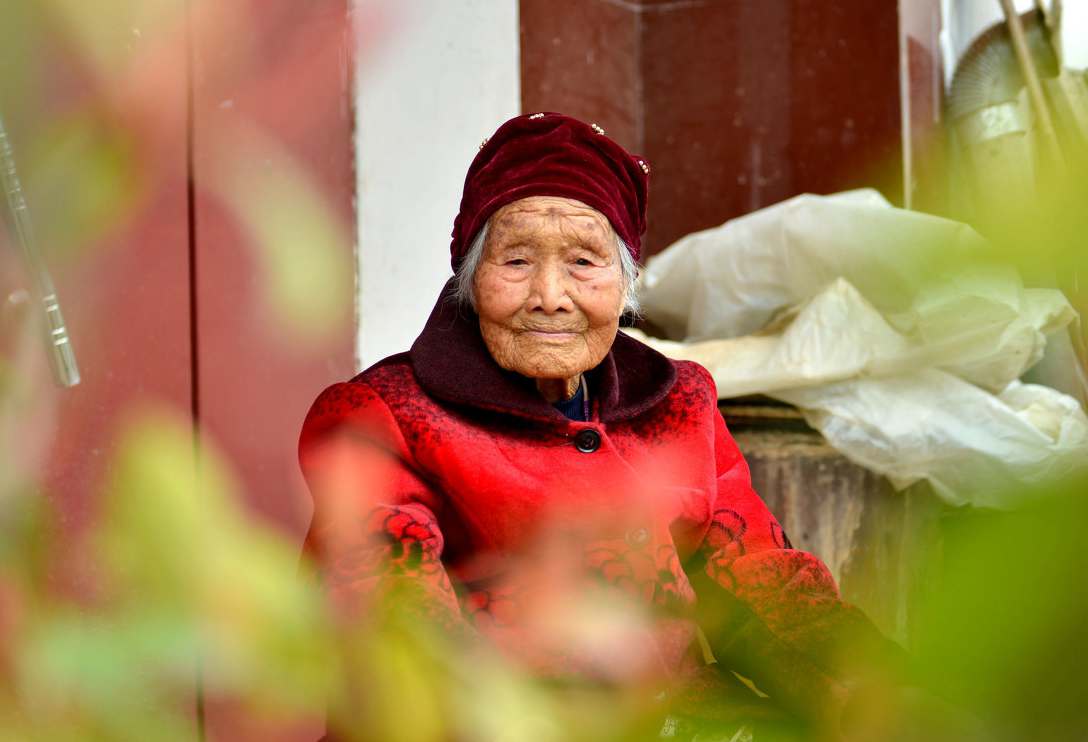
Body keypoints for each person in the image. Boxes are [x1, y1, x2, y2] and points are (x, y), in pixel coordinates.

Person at [299, 113, 904, 738]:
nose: (551, 295)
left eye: (585, 261)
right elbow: (393, 631)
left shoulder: (679, 406)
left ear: (625, 285)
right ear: (471, 283)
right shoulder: (384, 417)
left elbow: (757, 578)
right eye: (515, 261)